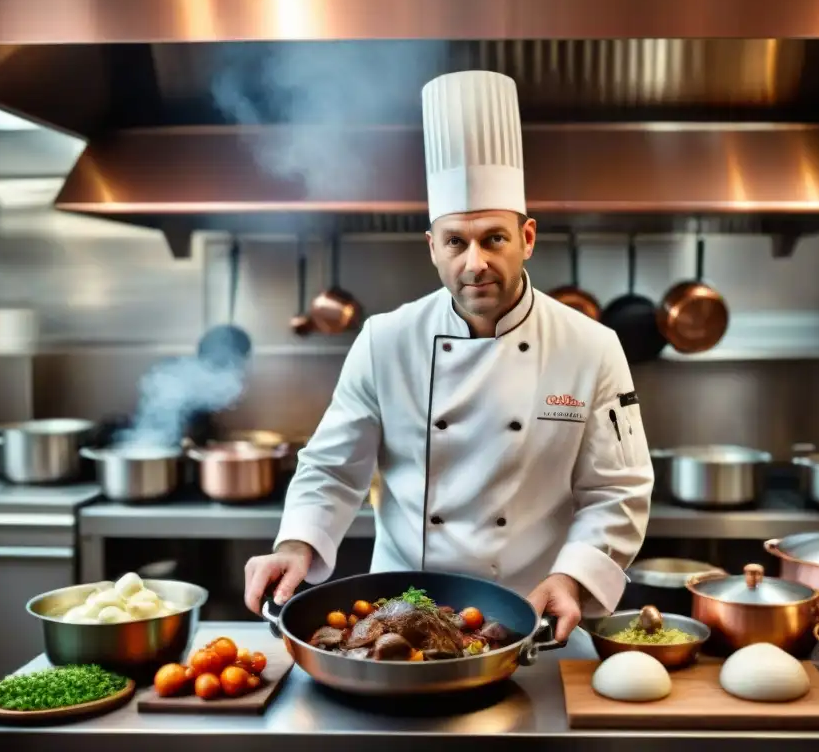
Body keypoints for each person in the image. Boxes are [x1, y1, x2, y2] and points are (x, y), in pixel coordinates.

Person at [244, 70, 653, 641]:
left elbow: (618, 488)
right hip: (394, 622)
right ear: (432, 246)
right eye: (456, 241)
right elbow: (333, 468)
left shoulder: (591, 345)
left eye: (494, 238)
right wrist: (296, 543)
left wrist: (576, 579)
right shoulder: (385, 340)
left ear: (528, 238)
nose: (475, 262)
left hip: (529, 616)